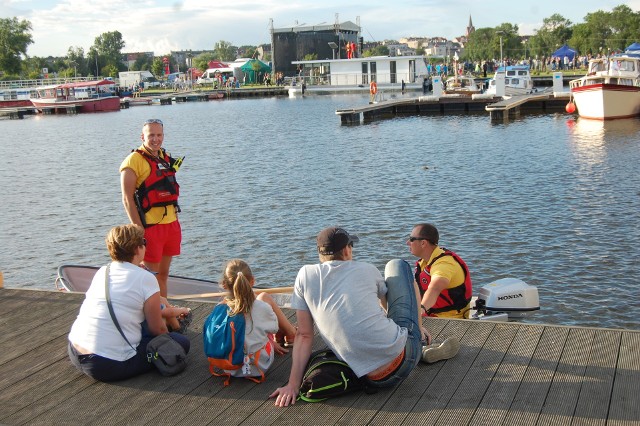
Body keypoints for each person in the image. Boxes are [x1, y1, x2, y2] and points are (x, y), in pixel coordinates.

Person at [270, 227, 459, 407]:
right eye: (351, 246)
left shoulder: (304, 275)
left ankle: (414, 343)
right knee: (397, 265)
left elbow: (304, 335)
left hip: (367, 377)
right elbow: (387, 302)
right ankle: (418, 337)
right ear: (346, 250)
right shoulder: (367, 269)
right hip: (402, 360)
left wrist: (293, 385)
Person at [67, 224, 190, 382]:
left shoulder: (103, 271)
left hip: (75, 350)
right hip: (106, 363)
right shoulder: (145, 278)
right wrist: (170, 339)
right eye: (144, 243)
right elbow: (157, 329)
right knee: (181, 343)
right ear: (137, 249)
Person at [120, 119, 183, 298]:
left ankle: (164, 310)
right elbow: (127, 198)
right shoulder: (133, 160)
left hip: (171, 225)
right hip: (151, 228)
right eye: (151, 135)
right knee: (150, 278)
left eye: (159, 135)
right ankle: (156, 314)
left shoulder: (163, 157)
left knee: (163, 275)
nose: (155, 139)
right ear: (142, 137)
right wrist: (138, 228)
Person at [216, 259, 297, 379]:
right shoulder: (261, 307)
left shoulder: (219, 310)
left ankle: (288, 334)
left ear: (224, 284)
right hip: (259, 365)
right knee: (264, 297)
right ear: (252, 281)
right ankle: (292, 333)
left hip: (229, 367)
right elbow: (273, 329)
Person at [408, 223, 473, 319]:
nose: (407, 242)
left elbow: (435, 288)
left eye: (411, 239)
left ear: (423, 243)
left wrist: (421, 309)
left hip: (450, 321)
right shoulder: (426, 261)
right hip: (432, 315)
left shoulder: (444, 264)